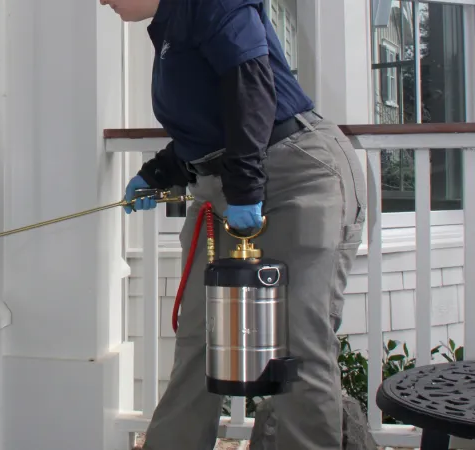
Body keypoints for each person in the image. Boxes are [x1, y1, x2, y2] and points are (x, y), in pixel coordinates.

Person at [100, 0, 368, 449]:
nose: (101, 0)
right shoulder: (169, 28)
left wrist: (245, 190)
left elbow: (252, 89)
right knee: (200, 341)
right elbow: (212, 118)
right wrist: (160, 173)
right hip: (229, 183)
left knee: (296, 345)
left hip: (294, 176)